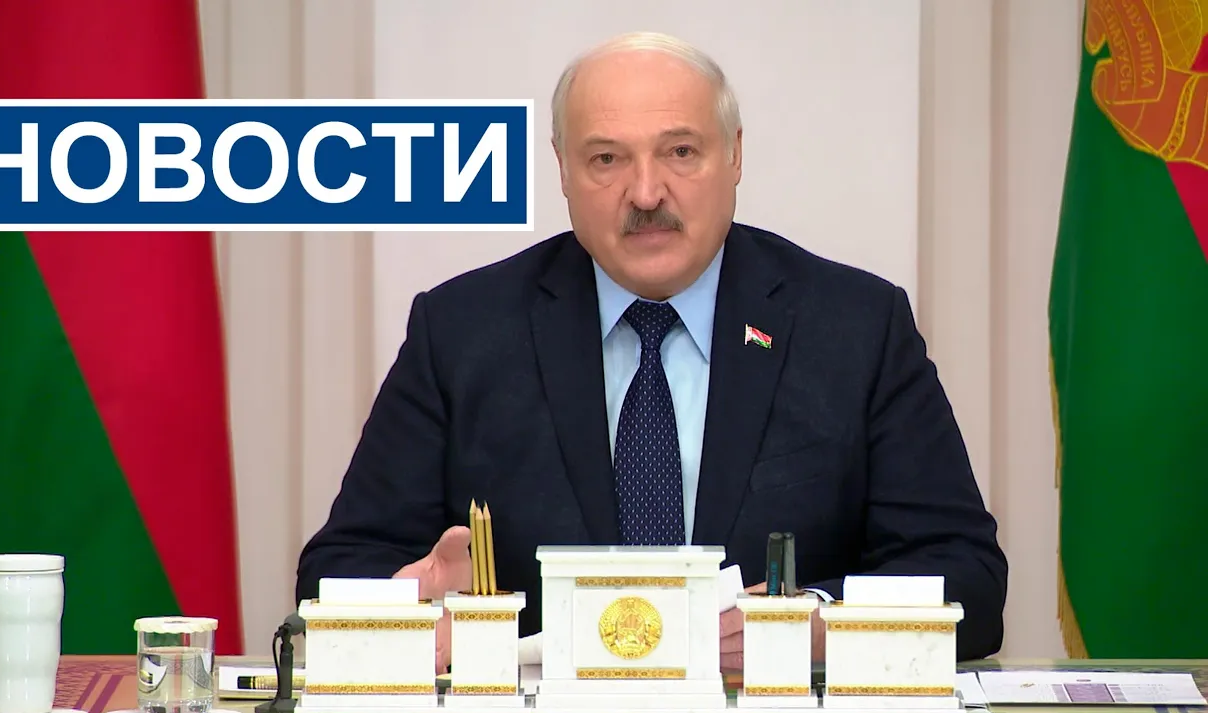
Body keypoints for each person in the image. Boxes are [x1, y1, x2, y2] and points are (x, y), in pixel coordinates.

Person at [296, 30, 1008, 673]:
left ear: (734, 155)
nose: (645, 192)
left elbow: (967, 578)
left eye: (680, 152)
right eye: (606, 159)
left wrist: (812, 626)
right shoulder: (462, 330)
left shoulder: (855, 327)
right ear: (563, 169)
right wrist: (414, 601)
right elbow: (334, 573)